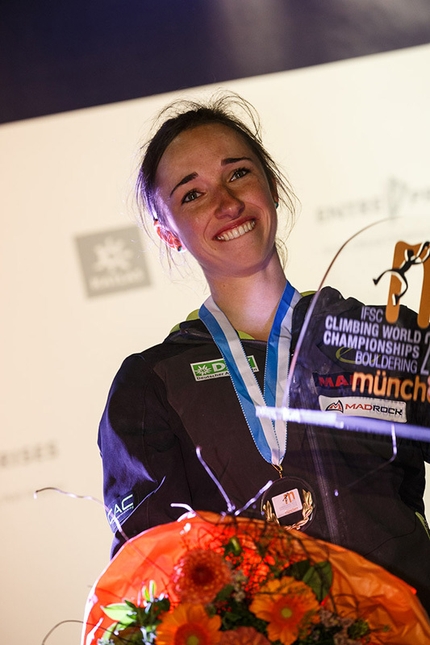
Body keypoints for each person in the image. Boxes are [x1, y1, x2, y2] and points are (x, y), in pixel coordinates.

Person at [98, 92, 430, 612]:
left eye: (238, 175)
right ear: (168, 232)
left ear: (270, 187)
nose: (225, 204)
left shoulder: (379, 335)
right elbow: (151, 581)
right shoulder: (152, 385)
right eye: (191, 195)